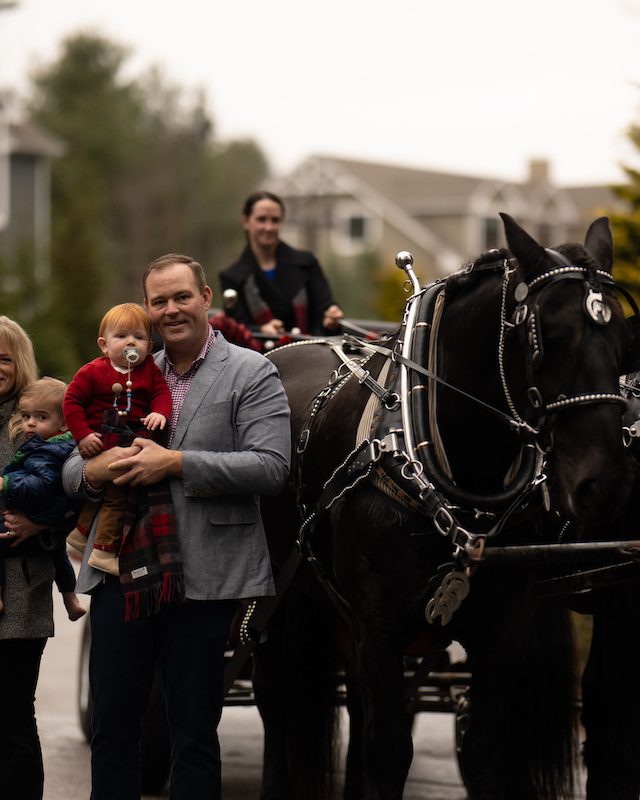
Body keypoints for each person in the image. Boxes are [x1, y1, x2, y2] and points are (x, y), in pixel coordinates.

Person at [61, 253, 291, 800]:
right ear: (146, 309)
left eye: (181, 297)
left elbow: (272, 467)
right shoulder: (124, 368)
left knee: (194, 732)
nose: (171, 309)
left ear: (206, 299)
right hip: (122, 571)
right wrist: (96, 470)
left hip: (205, 579)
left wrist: (177, 463)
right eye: (158, 300)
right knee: (113, 725)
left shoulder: (252, 371)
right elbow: (71, 466)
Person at [0, 316, 63, 800]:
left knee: (13, 717)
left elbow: (80, 491)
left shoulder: (34, 421)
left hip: (19, 589)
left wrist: (43, 523)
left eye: (4, 357)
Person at [63, 303, 172, 576]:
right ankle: (103, 551)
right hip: (100, 441)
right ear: (104, 344)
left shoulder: (148, 369)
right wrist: (83, 435)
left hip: (130, 439)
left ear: (149, 345)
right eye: (121, 336)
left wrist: (159, 412)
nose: (131, 342)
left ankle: (80, 532)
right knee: (117, 498)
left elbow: (161, 394)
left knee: (111, 494)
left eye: (139, 336)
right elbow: (72, 402)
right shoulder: (93, 371)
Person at [0, 377, 85, 621]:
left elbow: (41, 485)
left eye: (41, 417)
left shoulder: (44, 451)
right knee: (60, 555)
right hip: (47, 519)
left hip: (35, 518)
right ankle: (72, 600)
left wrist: (6, 484)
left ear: (64, 422)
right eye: (26, 417)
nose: (30, 424)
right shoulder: (61, 446)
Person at [219, 190, 344, 336]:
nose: (269, 227)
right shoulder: (231, 277)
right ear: (246, 222)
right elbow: (237, 327)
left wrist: (331, 319)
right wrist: (261, 331)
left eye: (275, 220)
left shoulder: (307, 263)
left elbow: (324, 308)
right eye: (261, 219)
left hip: (310, 351)